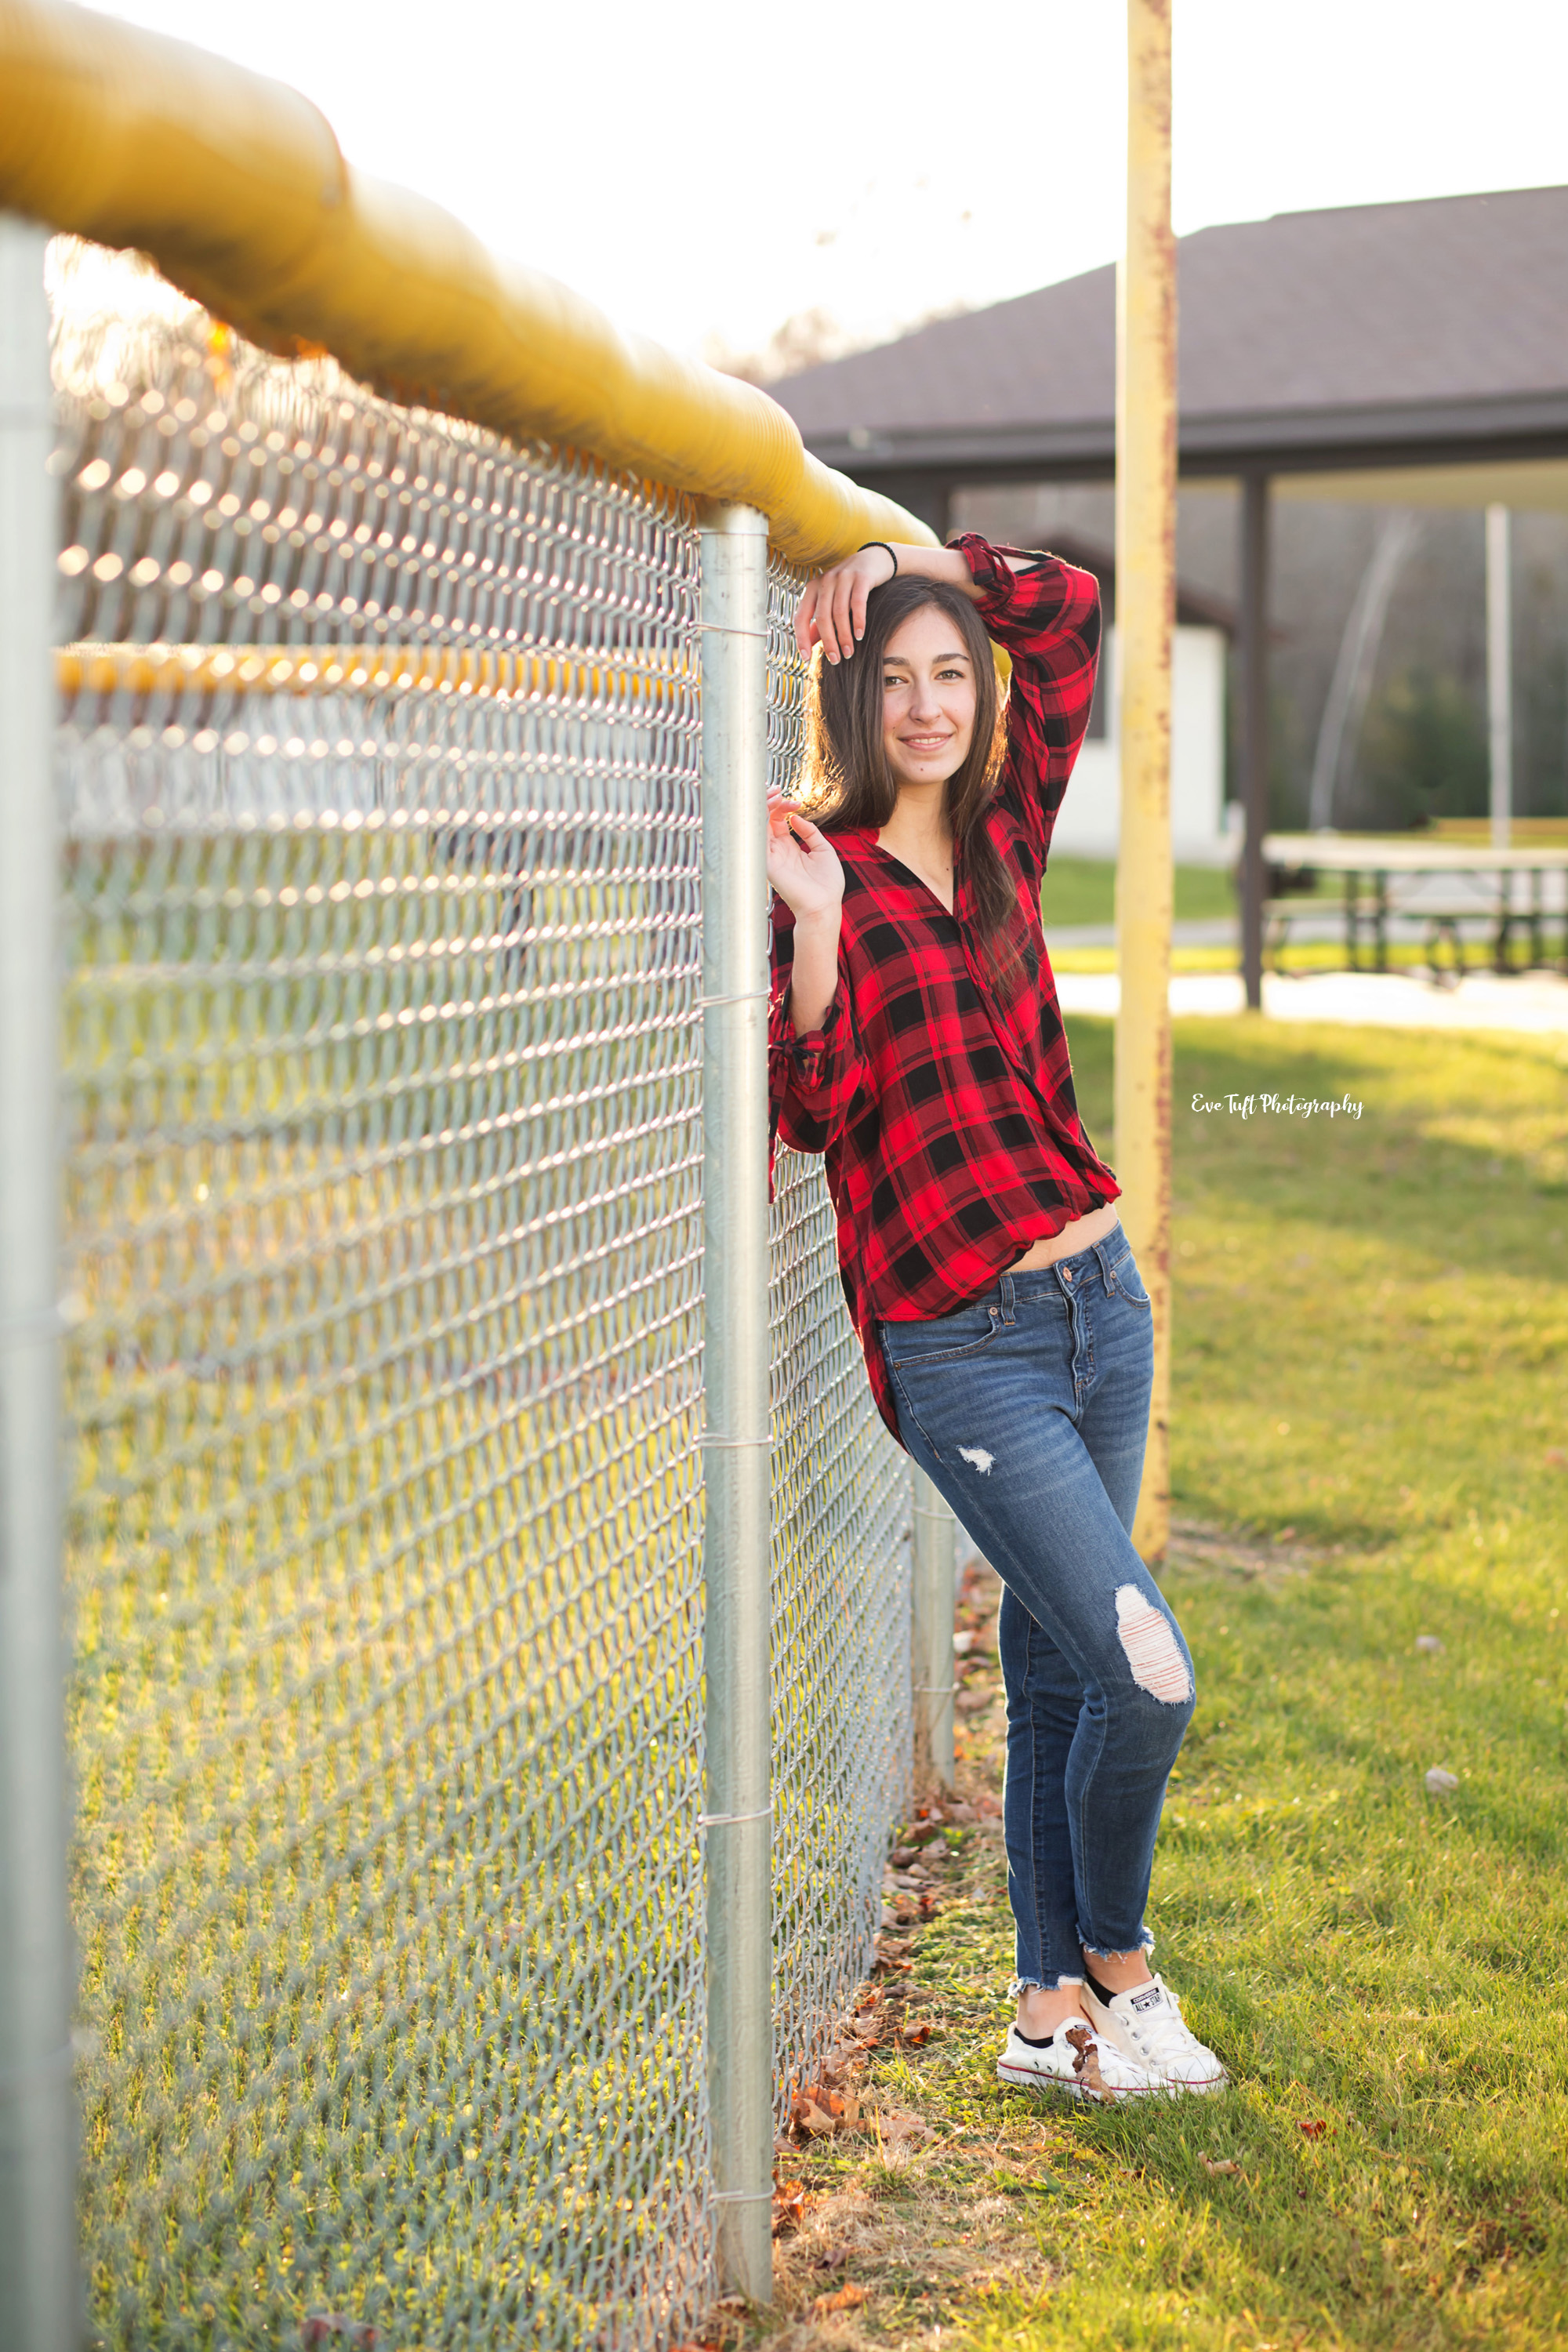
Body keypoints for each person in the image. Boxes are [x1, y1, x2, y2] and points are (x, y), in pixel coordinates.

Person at [765, 535, 1225, 2102]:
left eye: (950, 672)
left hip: (1102, 1301)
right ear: (850, 693)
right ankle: (1124, 1968)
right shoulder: (813, 867)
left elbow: (1076, 608)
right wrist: (818, 928)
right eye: (891, 676)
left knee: (1051, 1680)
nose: (927, 703)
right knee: (1143, 1672)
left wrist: (902, 554)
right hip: (959, 1341)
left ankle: (1043, 2024)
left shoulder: (1011, 828)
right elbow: (812, 1114)